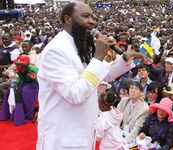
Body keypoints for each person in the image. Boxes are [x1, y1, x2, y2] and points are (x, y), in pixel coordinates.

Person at [36, 2, 145, 150]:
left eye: (92, 16)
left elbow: (102, 74)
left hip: (82, 135)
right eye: (85, 16)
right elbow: (75, 94)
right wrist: (98, 57)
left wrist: (124, 60)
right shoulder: (56, 50)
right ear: (68, 19)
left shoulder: (78, 45)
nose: (92, 21)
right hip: (63, 139)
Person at [0, 55, 39, 126]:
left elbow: (38, 81)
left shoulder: (33, 69)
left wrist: (34, 78)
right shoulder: (17, 68)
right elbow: (20, 78)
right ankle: (9, 114)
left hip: (33, 85)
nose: (21, 67)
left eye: (23, 65)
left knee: (23, 92)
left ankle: (26, 114)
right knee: (10, 90)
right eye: (19, 65)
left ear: (27, 64)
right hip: (22, 83)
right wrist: (17, 84)